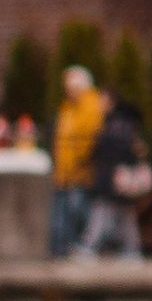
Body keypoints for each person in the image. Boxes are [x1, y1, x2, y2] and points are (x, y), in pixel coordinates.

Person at [77, 90, 152, 258]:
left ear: (111, 102)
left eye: (102, 101)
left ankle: (89, 246)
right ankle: (131, 250)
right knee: (124, 216)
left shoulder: (115, 123)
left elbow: (110, 149)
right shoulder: (121, 122)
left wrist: (94, 155)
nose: (98, 105)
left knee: (103, 211)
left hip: (114, 176)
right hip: (116, 176)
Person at [50, 63, 106, 258]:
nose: (67, 90)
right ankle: (60, 249)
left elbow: (89, 136)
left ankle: (80, 246)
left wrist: (80, 161)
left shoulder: (90, 105)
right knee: (62, 213)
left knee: (78, 211)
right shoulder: (68, 106)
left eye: (70, 87)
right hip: (63, 170)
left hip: (79, 171)